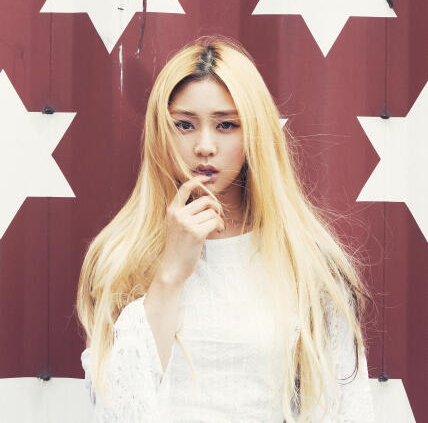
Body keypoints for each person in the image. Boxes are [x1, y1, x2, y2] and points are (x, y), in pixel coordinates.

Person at [76, 35, 375, 422]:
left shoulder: (306, 261)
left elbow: (348, 408)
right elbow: (115, 412)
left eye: (226, 125)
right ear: (161, 132)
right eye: (184, 125)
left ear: (254, 133)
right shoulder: (119, 256)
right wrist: (169, 275)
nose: (205, 146)